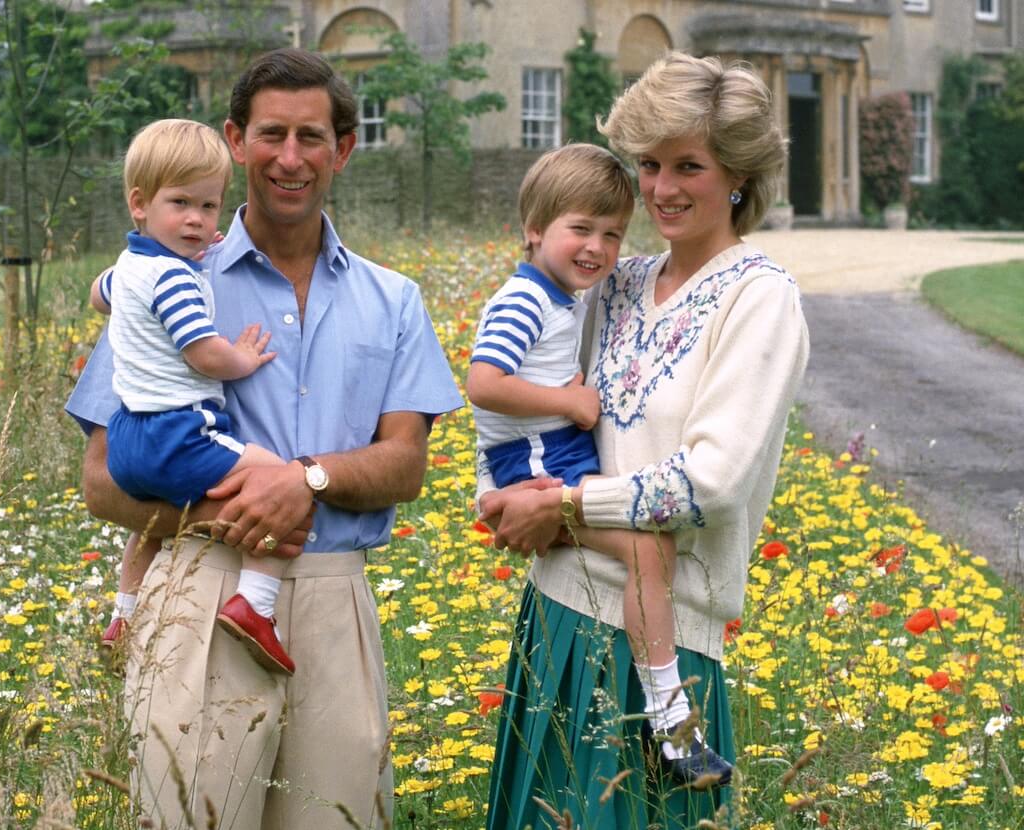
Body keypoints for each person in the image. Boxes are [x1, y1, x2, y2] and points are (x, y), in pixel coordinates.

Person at [66, 48, 463, 830]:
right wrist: (228, 518)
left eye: (312, 137)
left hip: (334, 599)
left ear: (344, 149)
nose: (290, 158)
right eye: (271, 134)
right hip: (198, 590)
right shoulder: (167, 276)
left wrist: (303, 480)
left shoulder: (394, 300)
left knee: (338, 819)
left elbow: (405, 464)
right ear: (235, 140)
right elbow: (101, 478)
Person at [479, 52, 810, 830]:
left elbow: (710, 482)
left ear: (738, 174)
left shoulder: (758, 299)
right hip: (556, 613)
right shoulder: (615, 281)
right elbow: (532, 393)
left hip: (666, 648)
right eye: (650, 164)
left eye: (688, 165)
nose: (661, 188)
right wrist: (502, 490)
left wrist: (559, 503)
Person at [466, 142, 730, 779]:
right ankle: (670, 721)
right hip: (540, 464)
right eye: (580, 229)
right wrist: (572, 403)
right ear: (534, 230)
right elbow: (483, 383)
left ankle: (666, 716)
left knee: (651, 552)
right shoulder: (524, 300)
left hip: (553, 459)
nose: (598, 248)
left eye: (612, 234)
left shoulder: (562, 297)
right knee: (647, 551)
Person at [90, 117, 300, 677]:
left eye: (209, 208)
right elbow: (202, 354)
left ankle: (125, 613)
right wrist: (244, 358)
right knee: (278, 481)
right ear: (139, 204)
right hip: (180, 430)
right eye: (180, 203)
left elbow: (98, 294)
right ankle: (255, 606)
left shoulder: (131, 266)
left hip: (129, 439)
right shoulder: (175, 280)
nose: (196, 220)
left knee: (149, 528)